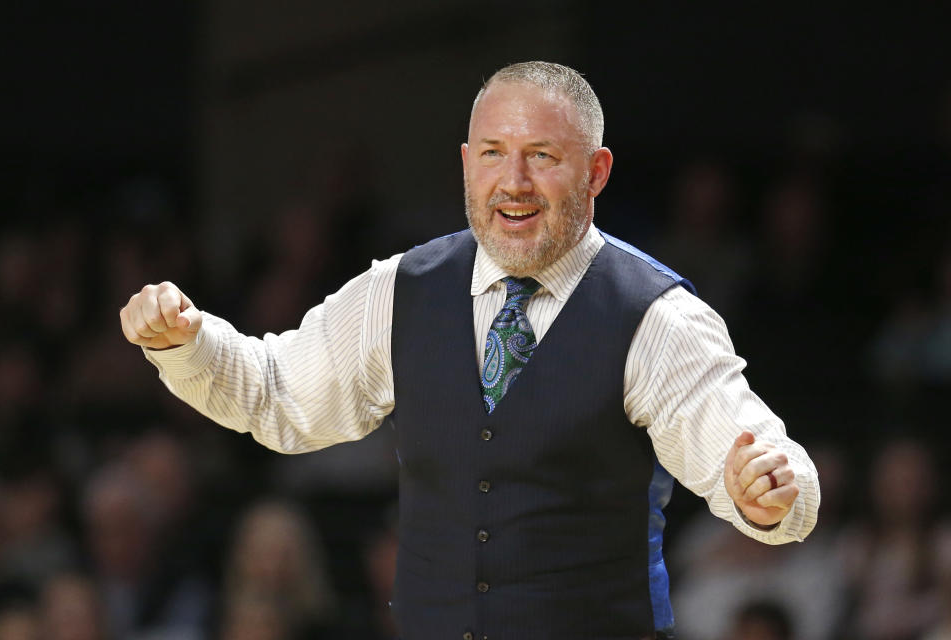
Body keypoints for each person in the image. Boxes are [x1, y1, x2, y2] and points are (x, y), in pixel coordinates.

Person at [119, 61, 819, 639]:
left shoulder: (657, 317)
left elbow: (753, 455)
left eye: (541, 157)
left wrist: (766, 491)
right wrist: (188, 342)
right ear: (464, 164)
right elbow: (276, 395)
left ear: (597, 172)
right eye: (492, 155)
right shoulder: (399, 290)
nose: (512, 182)